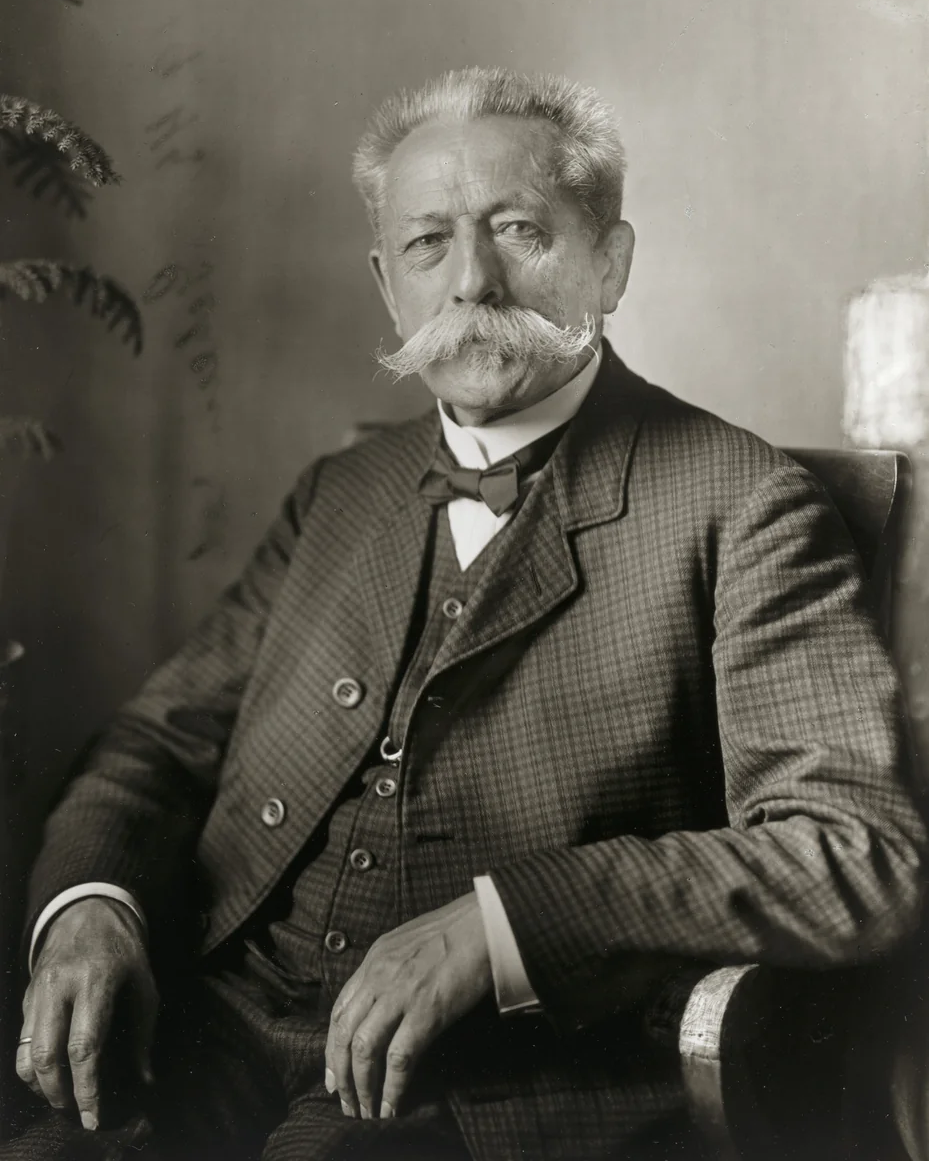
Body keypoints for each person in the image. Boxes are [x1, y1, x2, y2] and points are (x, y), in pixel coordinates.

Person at [6, 66, 926, 1161]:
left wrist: (501, 928)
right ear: (386, 280)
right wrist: (89, 908)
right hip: (209, 1034)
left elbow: (851, 857)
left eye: (518, 230)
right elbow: (156, 744)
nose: (471, 280)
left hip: (488, 1089)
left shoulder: (744, 506)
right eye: (427, 242)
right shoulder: (337, 492)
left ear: (611, 262)